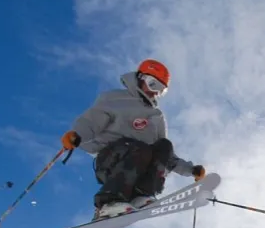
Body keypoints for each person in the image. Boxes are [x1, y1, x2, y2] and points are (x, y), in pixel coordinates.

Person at [61, 58, 206, 219]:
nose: (155, 92)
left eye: (161, 90)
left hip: (137, 169)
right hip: (111, 162)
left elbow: (167, 158)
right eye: (152, 84)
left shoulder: (156, 117)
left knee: (164, 145)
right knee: (139, 148)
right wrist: (78, 134)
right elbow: (92, 121)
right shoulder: (115, 99)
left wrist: (190, 170)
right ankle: (109, 202)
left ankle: (141, 196)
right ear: (140, 78)